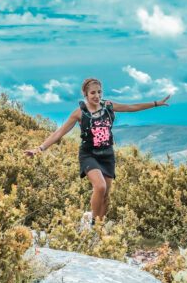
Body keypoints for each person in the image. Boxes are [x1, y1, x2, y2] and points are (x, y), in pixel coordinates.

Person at [25, 77, 170, 226]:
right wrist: (40, 148)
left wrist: (155, 104)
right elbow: (60, 132)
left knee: (106, 195)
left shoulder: (108, 106)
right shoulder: (79, 113)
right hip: (89, 155)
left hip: (107, 155)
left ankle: (99, 228)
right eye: (92, 93)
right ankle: (92, 222)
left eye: (99, 92)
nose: (97, 96)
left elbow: (131, 107)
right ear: (85, 95)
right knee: (100, 187)